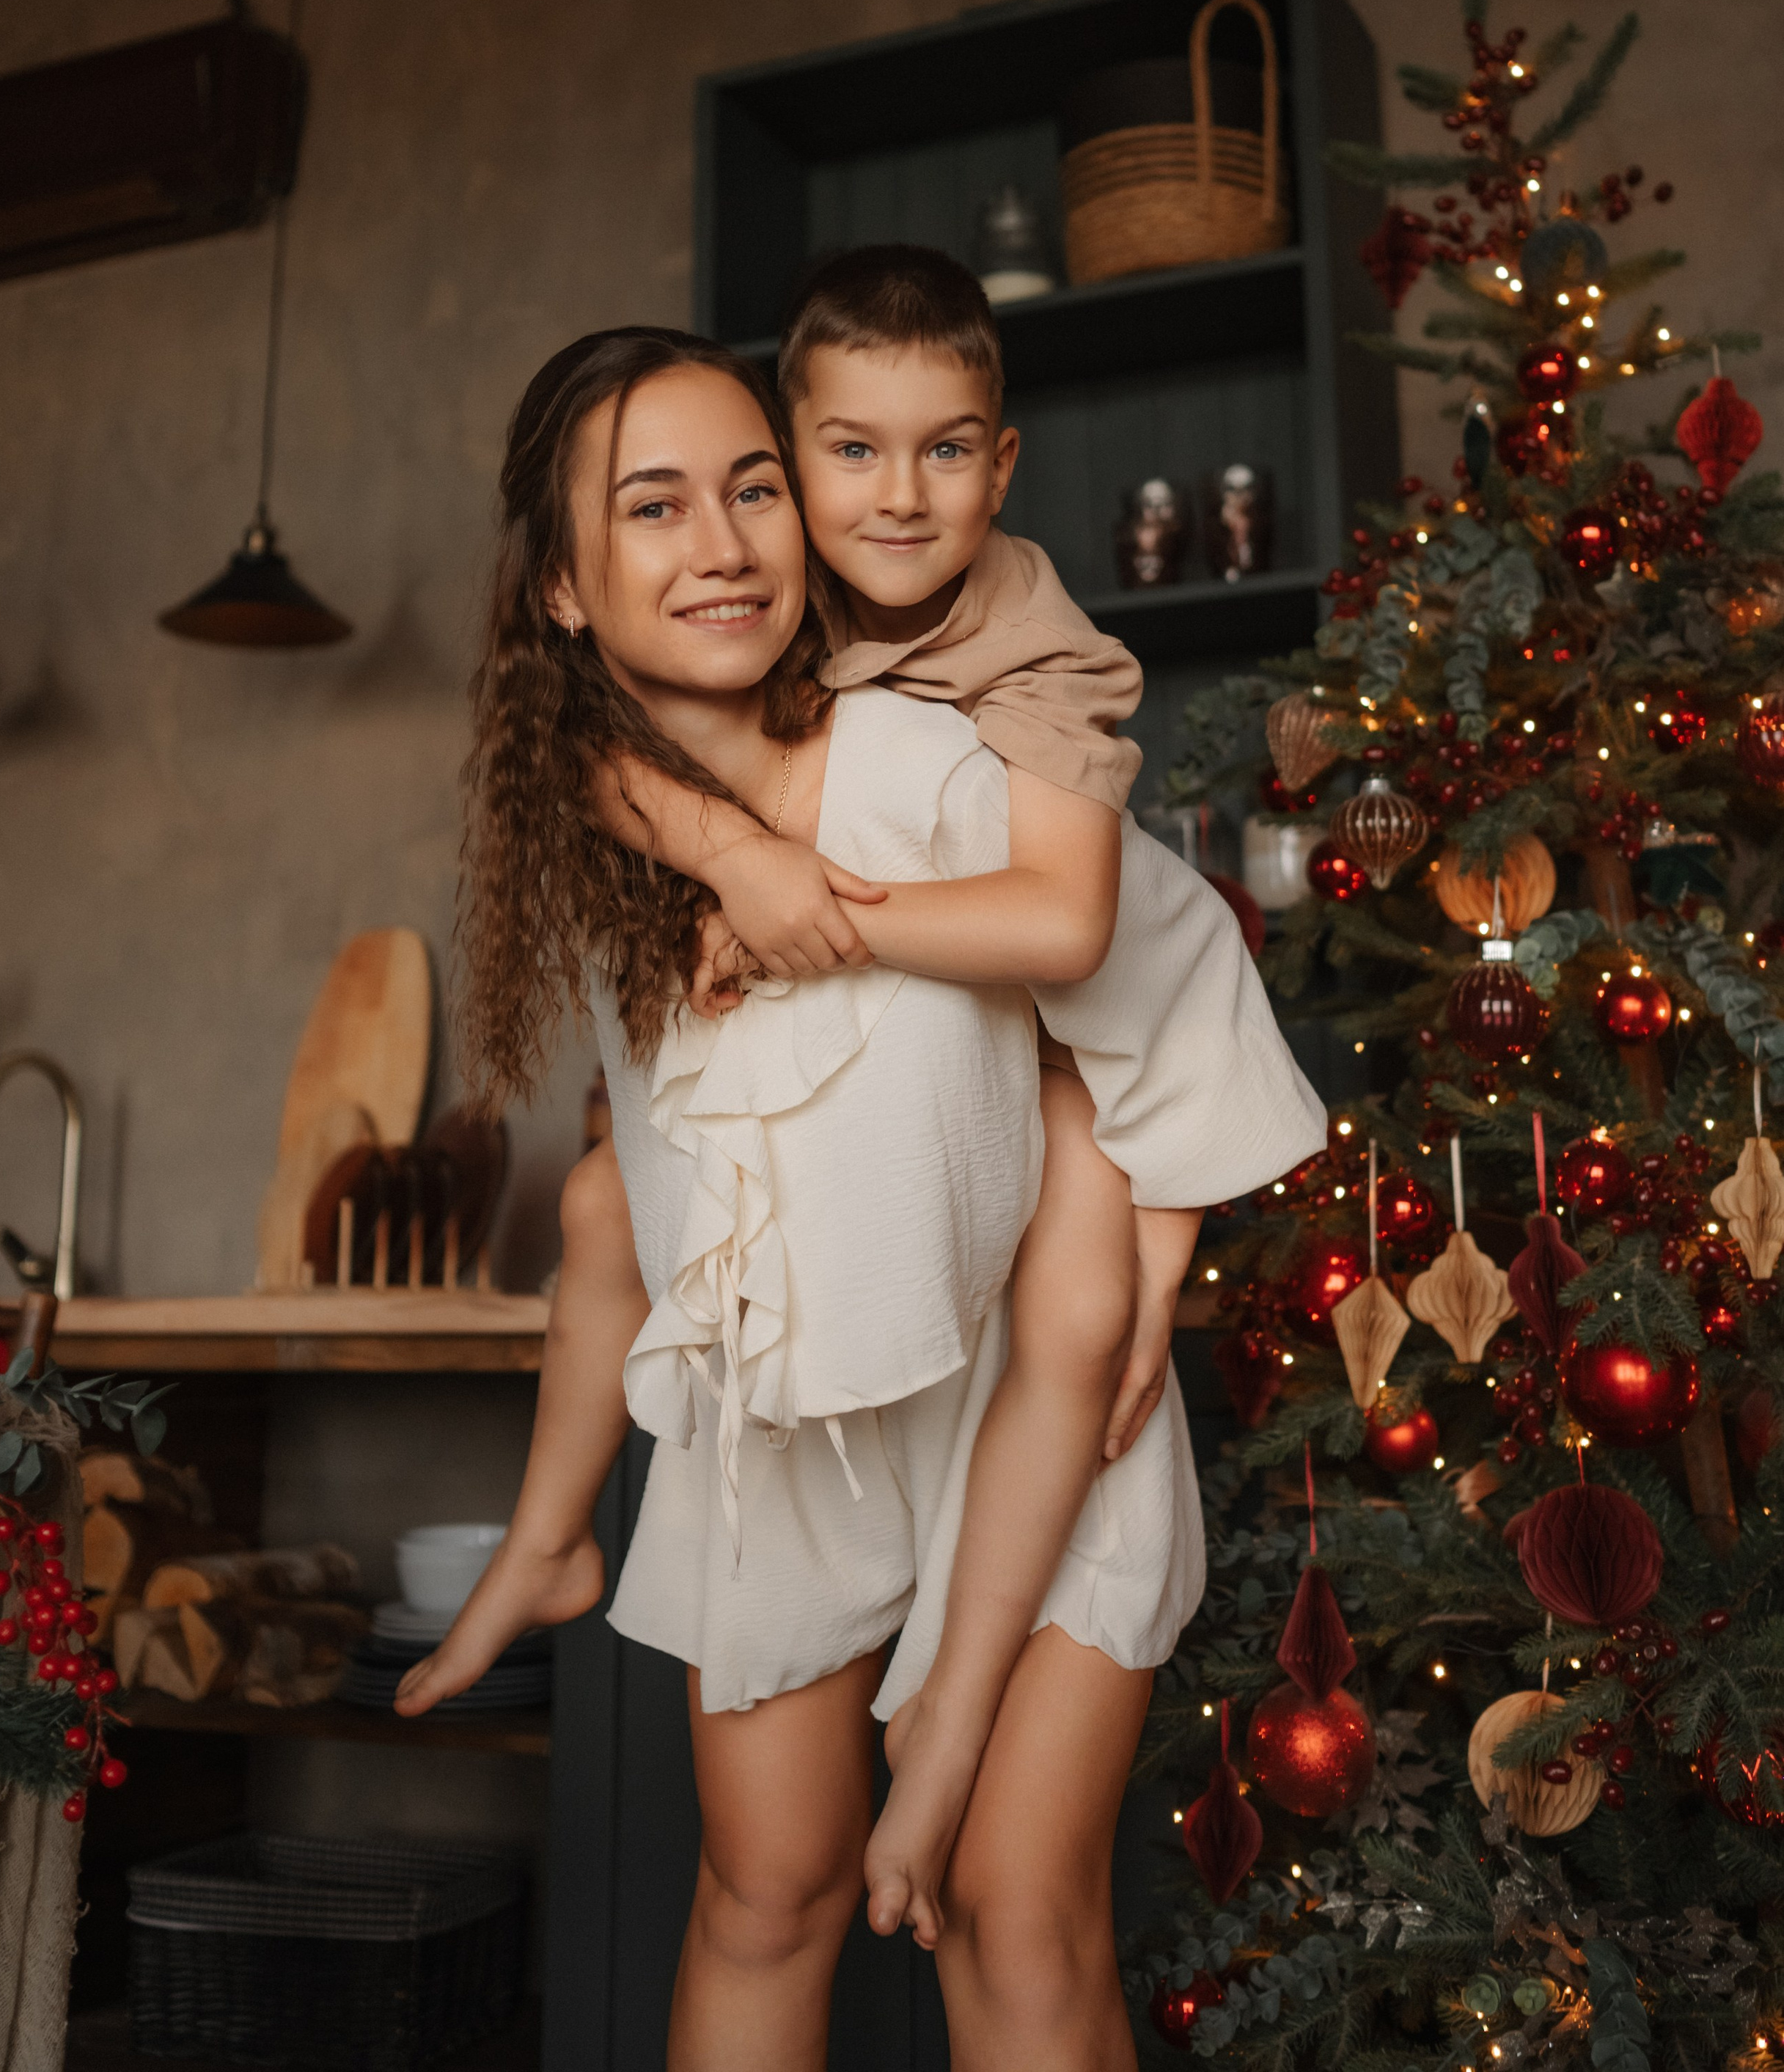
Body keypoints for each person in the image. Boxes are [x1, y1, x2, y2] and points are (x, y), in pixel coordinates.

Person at [399, 313, 1318, 2062]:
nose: (729, 541)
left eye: (753, 485)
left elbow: (1169, 953)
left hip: (1028, 1405)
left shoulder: (928, 760)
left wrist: (1148, 1228)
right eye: (653, 506)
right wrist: (551, 1527)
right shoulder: (602, 845)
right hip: (787, 1428)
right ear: (564, 589)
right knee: (763, 1894)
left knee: (1011, 1913)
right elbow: (633, 1197)